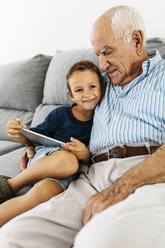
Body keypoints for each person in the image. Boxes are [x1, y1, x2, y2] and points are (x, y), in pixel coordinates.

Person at [0, 5, 165, 248]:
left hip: (145, 174)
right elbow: (69, 120)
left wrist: (122, 187)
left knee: (97, 240)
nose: (102, 63)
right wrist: (38, 143)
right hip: (90, 176)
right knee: (13, 236)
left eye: (107, 51)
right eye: (98, 54)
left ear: (137, 40)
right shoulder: (100, 85)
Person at [0, 60, 102, 226]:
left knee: (42, 195)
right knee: (67, 160)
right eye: (79, 90)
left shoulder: (101, 120)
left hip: (66, 175)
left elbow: (91, 157)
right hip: (45, 158)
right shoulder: (60, 114)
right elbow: (32, 138)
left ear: (102, 87)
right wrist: (17, 133)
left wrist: (85, 154)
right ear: (71, 96)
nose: (87, 94)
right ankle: (10, 185)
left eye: (92, 87)